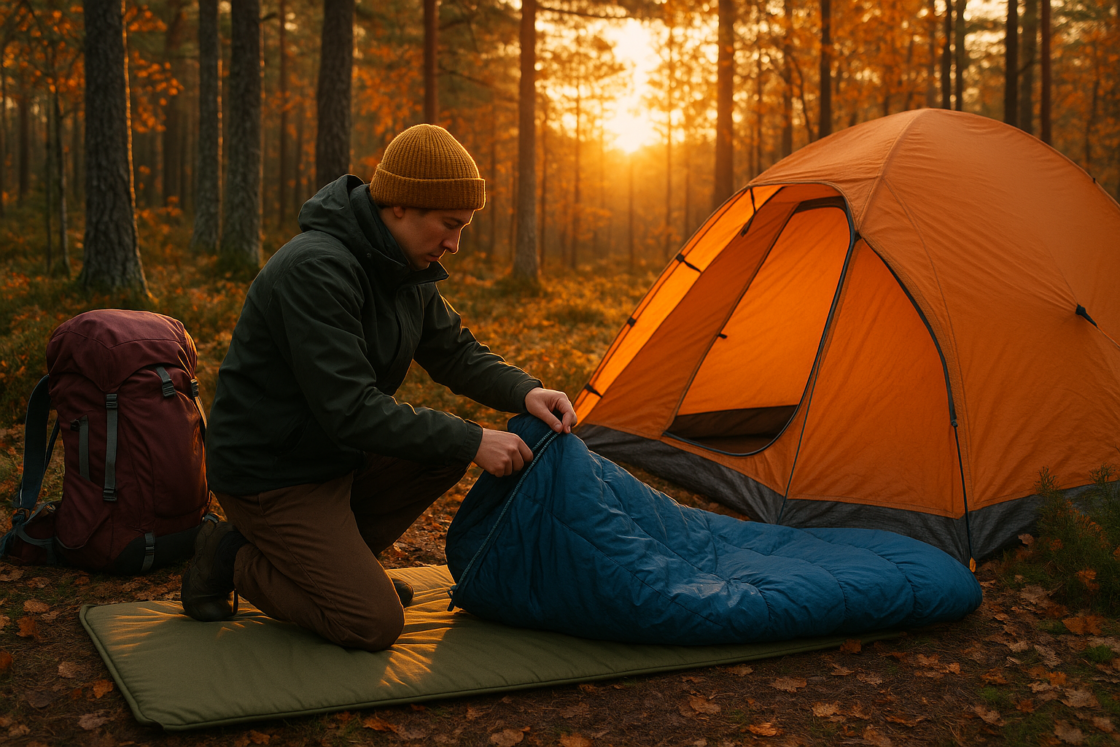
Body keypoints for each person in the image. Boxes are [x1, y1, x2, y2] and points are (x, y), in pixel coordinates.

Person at [181, 124, 576, 651]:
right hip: (272, 473)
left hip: (333, 456)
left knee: (441, 455)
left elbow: (454, 351)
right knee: (371, 623)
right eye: (449, 225)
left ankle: (337, 571)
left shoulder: (402, 264)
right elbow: (350, 409)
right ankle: (231, 554)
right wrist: (473, 438)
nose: (455, 244)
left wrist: (526, 392)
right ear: (400, 208)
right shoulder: (316, 269)